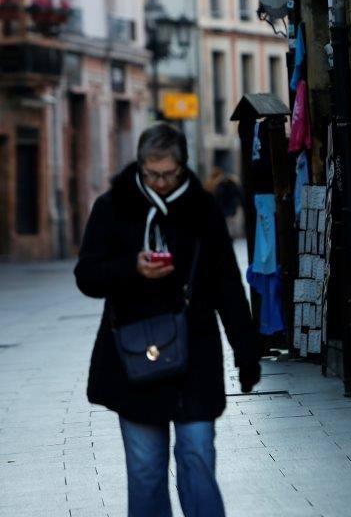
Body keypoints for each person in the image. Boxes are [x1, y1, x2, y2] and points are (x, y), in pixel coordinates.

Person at [75, 123, 261, 517]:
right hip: (134, 357)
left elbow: (228, 284)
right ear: (140, 166)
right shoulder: (112, 208)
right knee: (145, 472)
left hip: (195, 357)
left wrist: (247, 354)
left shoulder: (203, 210)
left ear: (183, 167)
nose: (159, 182)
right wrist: (131, 268)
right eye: (151, 174)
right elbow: (87, 277)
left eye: (168, 174)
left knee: (196, 458)